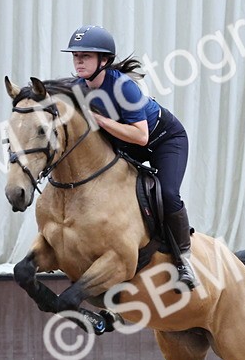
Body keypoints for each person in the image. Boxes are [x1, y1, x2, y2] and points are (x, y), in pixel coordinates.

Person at [62, 25, 198, 291]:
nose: (79, 61)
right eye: (76, 55)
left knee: (168, 193)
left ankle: (184, 259)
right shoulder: (77, 89)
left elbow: (141, 137)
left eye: (86, 56)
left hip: (163, 140)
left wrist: (99, 119)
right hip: (126, 145)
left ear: (105, 60)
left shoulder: (124, 87)